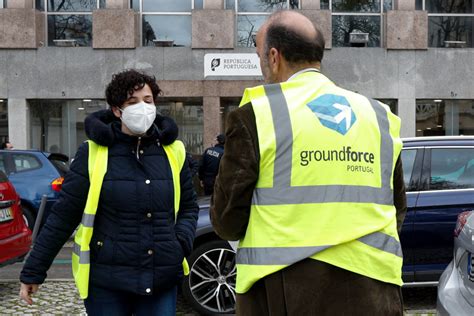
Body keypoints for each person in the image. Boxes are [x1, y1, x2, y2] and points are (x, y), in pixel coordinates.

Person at [210, 11, 407, 316]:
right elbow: (396, 208)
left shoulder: (257, 115)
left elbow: (226, 220)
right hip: (375, 287)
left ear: (274, 57)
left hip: (283, 288)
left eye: (259, 52)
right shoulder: (379, 116)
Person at [19, 69, 199, 315]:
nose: (142, 107)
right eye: (132, 102)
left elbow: (188, 206)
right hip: (107, 282)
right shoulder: (93, 153)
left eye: (148, 100)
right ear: (117, 110)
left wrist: (180, 243)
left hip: (161, 277)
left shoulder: (173, 151)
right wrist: (34, 270)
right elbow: (63, 216)